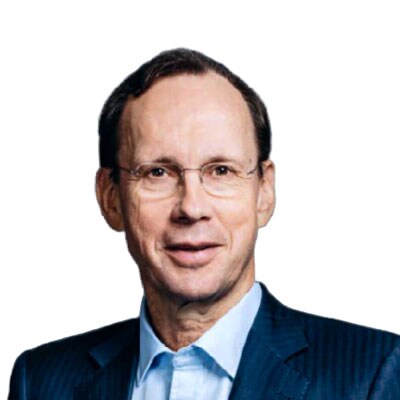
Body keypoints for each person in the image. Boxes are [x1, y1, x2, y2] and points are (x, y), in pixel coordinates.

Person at [8, 48, 400, 400]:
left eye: (221, 170)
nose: (192, 207)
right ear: (110, 197)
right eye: (158, 172)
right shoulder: (39, 381)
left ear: (264, 192)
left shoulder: (371, 374)